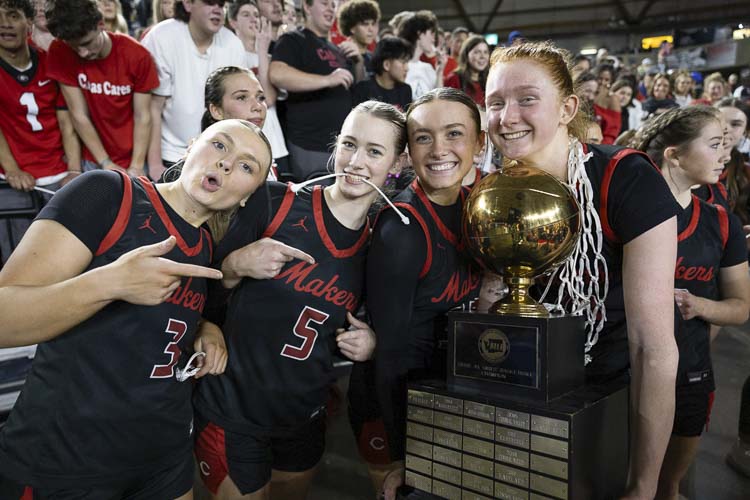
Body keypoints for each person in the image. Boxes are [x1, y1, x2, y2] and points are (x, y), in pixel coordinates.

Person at [0, 118, 272, 498]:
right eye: (220, 145)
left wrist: (204, 328)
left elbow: (163, 320)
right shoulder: (108, 193)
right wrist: (108, 283)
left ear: (247, 195)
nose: (226, 163)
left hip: (164, 458)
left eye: (247, 166)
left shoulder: (207, 247)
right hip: (66, 459)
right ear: (191, 145)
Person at [485, 41, 680, 499]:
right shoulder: (490, 191)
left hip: (603, 404)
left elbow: (652, 347)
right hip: (516, 399)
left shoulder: (625, 178)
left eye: (527, 99)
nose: (507, 117)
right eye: (495, 103)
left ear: (567, 107)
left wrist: (644, 485)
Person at [192, 101, 406, 500]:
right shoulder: (275, 200)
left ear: (397, 162)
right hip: (233, 409)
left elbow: (379, 325)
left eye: (375, 152)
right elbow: (200, 290)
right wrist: (235, 265)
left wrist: (371, 343)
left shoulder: (381, 242)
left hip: (303, 416)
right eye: (348, 144)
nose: (356, 161)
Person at [352, 88, 485, 499]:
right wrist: (398, 452)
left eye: (454, 134)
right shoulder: (402, 229)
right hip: (393, 403)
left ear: (479, 145)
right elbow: (389, 353)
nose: (438, 149)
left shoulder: (476, 206)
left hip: (444, 394)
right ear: (407, 151)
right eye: (423, 137)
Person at [630, 106, 750, 499]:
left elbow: (741, 306)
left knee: (670, 486)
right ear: (674, 154)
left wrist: (700, 306)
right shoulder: (623, 213)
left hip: (692, 372)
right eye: (714, 144)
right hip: (621, 372)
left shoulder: (721, 222)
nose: (725, 154)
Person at [0, 0, 80, 264]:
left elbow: (67, 122)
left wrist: (75, 169)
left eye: (13, 15)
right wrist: (11, 168)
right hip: (13, 181)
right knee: (16, 262)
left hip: (58, 174)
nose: (5, 23)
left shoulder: (50, 62)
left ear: (30, 23)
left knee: (63, 261)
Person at [45, 0, 159, 177]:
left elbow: (143, 116)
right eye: (74, 46)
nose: (82, 53)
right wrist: (105, 161)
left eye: (87, 43)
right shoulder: (60, 50)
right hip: (93, 157)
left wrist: (136, 165)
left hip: (134, 155)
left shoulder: (137, 56)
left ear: (101, 24)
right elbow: (78, 114)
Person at [142, 0, 246, 180]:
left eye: (221, 5)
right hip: (171, 155)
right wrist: (155, 164)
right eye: (210, 2)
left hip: (218, 159)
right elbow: (153, 107)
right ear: (188, 4)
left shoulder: (233, 44)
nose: (217, 10)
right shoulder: (161, 37)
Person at [269, 0, 364, 181]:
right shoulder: (294, 39)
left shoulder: (337, 49)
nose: (330, 8)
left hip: (341, 145)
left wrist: (358, 61)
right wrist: (327, 80)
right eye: (324, 3)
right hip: (310, 146)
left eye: (333, 5)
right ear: (307, 6)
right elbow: (277, 73)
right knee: (314, 204)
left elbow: (354, 86)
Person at [227, 0, 288, 171]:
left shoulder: (269, 57)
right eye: (246, 15)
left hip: (274, 142)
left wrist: (262, 51)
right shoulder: (228, 57)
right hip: (244, 141)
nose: (253, 19)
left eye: (256, 15)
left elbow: (268, 99)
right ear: (233, 22)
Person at [351, 36, 413, 111]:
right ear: (386, 65)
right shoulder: (363, 89)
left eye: (407, 62)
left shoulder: (406, 90)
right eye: (403, 62)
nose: (407, 68)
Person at [397, 10, 444, 100]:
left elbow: (439, 100)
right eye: (431, 33)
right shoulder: (399, 67)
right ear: (419, 34)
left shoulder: (428, 68)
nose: (433, 39)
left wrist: (439, 72)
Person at [444, 34, 490, 109]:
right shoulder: (454, 79)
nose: (482, 56)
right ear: (466, 55)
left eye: (485, 52)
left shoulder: (488, 80)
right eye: (477, 52)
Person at [336, 0, 380, 76]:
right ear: (352, 28)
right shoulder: (339, 56)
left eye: (373, 24)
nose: (371, 29)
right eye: (365, 24)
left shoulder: (375, 59)